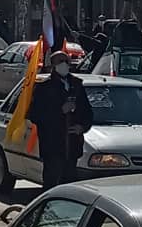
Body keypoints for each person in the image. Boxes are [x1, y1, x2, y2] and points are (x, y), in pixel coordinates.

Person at [27, 50, 93, 190]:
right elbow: (34, 114)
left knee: (69, 183)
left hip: (72, 145)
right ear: (53, 65)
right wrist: (59, 111)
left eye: (66, 61)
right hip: (53, 145)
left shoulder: (76, 84)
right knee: (52, 181)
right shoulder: (44, 87)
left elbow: (87, 112)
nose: (64, 64)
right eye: (60, 61)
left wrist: (82, 127)